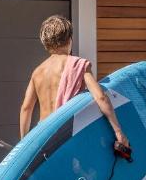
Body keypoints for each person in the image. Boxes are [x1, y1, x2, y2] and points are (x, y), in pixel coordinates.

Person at [19, 15, 130, 155]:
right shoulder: (78, 64)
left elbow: (26, 108)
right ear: (69, 39)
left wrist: (24, 144)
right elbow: (101, 98)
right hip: (66, 135)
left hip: (43, 136)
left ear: (45, 42)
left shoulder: (38, 72)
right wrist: (119, 132)